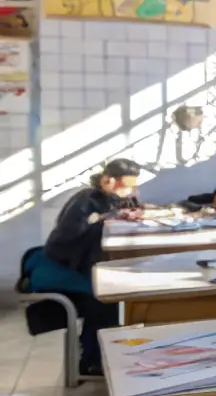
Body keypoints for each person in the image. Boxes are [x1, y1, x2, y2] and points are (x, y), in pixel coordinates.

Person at [34, 159, 143, 376]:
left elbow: (122, 209)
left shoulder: (109, 198)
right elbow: (69, 234)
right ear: (108, 180)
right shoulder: (86, 199)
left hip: (85, 261)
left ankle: (94, 347)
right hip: (66, 262)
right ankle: (92, 359)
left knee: (111, 289)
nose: (128, 190)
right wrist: (103, 218)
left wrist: (128, 211)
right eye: (124, 185)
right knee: (106, 296)